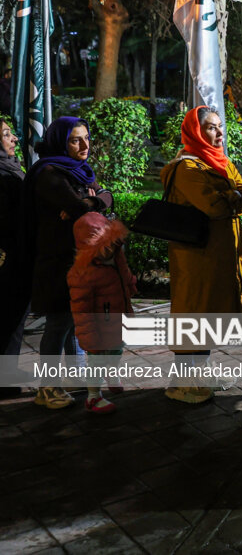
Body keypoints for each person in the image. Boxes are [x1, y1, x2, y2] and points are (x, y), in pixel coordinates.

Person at [161, 107, 242, 405]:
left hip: (219, 254)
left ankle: (198, 375)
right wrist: (234, 196)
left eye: (219, 127)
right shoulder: (188, 168)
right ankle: (181, 383)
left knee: (209, 313)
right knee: (193, 314)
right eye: (211, 128)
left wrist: (235, 197)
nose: (219, 133)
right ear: (195, 132)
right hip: (196, 256)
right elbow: (215, 206)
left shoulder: (220, 162)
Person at [26, 116, 112, 410]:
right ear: (60, 142)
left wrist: (91, 201)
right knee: (59, 321)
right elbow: (83, 203)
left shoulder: (78, 170)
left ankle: (76, 375)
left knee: (75, 319)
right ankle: (47, 388)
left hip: (78, 257)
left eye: (87, 137)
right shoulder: (49, 172)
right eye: (76, 140)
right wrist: (88, 201)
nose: (85, 145)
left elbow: (103, 197)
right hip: (57, 260)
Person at [67, 212, 135, 414]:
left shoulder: (117, 259)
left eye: (112, 244)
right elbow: (82, 311)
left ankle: (112, 374)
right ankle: (93, 396)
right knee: (96, 362)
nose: (110, 250)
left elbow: (125, 278)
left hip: (117, 320)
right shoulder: (82, 274)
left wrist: (131, 285)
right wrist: (89, 339)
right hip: (98, 328)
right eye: (104, 247)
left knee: (116, 351)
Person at [0, 118, 27, 399]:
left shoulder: (9, 166)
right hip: (8, 255)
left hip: (16, 252)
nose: (14, 139)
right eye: (6, 135)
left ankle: (9, 371)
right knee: (6, 316)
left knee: (16, 316)